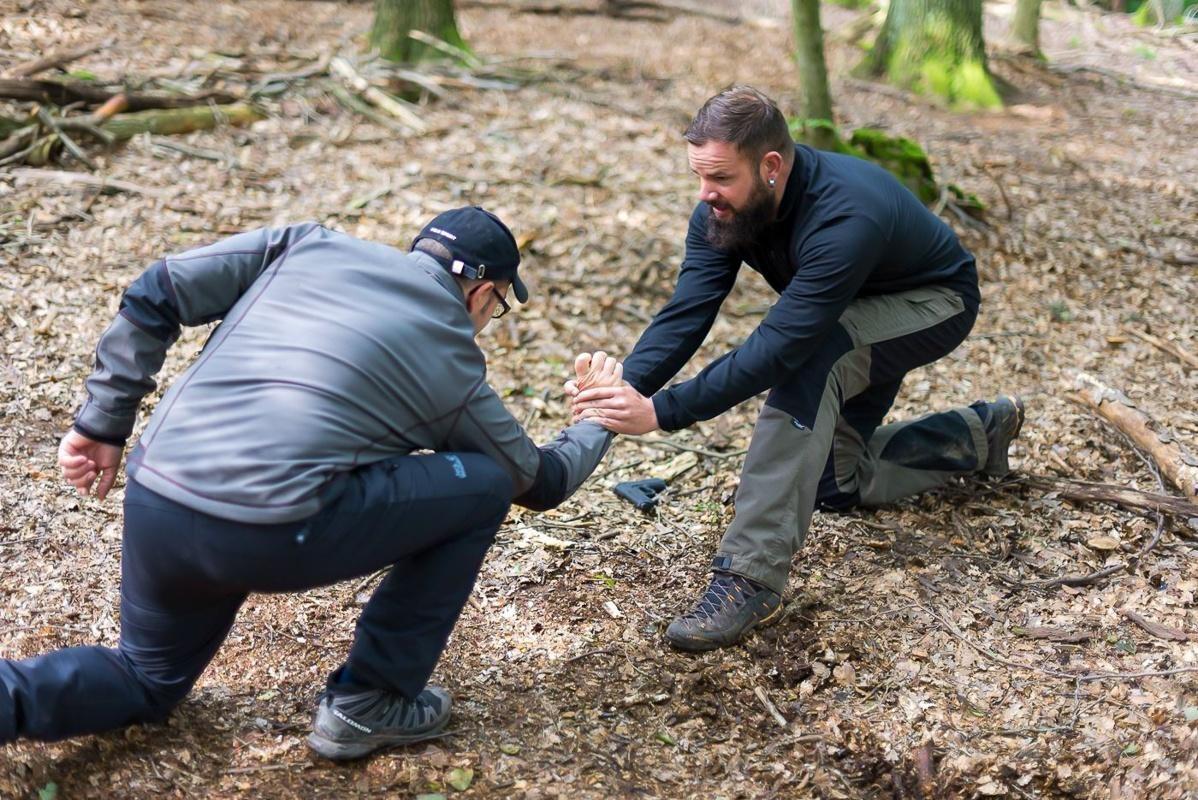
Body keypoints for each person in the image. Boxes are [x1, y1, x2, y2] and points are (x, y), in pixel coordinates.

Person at [0, 206, 621, 760]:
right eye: (499, 306)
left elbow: (157, 290)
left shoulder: (306, 245)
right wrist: (599, 418)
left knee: (145, 678)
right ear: (483, 293)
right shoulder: (450, 356)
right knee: (481, 484)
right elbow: (538, 481)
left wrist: (104, 422)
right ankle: (370, 700)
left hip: (158, 494)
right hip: (263, 532)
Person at [570, 86, 1024, 652]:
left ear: (770, 166)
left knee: (814, 356)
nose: (705, 194)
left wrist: (663, 412)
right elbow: (689, 309)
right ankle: (978, 435)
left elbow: (783, 345)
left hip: (933, 302)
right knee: (833, 483)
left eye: (720, 178)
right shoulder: (724, 207)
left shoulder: (847, 213)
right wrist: (623, 389)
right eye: (698, 176)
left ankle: (749, 575)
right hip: (847, 304)